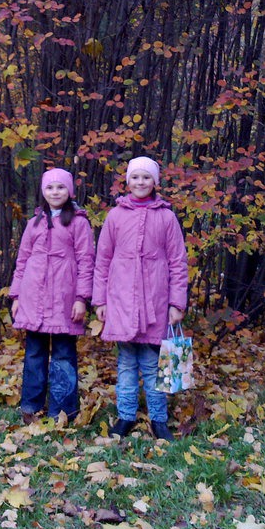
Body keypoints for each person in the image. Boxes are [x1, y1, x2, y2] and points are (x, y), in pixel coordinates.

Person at [92, 156, 188, 441]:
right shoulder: (115, 216)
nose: (141, 182)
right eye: (135, 177)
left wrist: (176, 303)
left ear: (155, 182)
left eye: (146, 177)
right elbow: (102, 260)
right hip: (120, 300)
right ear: (127, 181)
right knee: (125, 363)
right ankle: (126, 416)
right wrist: (100, 301)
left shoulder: (166, 217)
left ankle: (159, 419)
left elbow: (178, 262)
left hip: (155, 302)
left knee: (152, 363)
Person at [9, 167, 94, 422]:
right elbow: (22, 260)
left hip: (64, 300)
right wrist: (16, 296)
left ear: (70, 191)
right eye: (50, 187)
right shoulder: (34, 223)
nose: (55, 192)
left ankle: (63, 410)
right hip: (33, 298)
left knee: (63, 355)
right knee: (34, 354)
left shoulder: (78, 223)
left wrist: (81, 298)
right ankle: (31, 406)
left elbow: (86, 262)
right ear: (43, 191)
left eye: (60, 187)